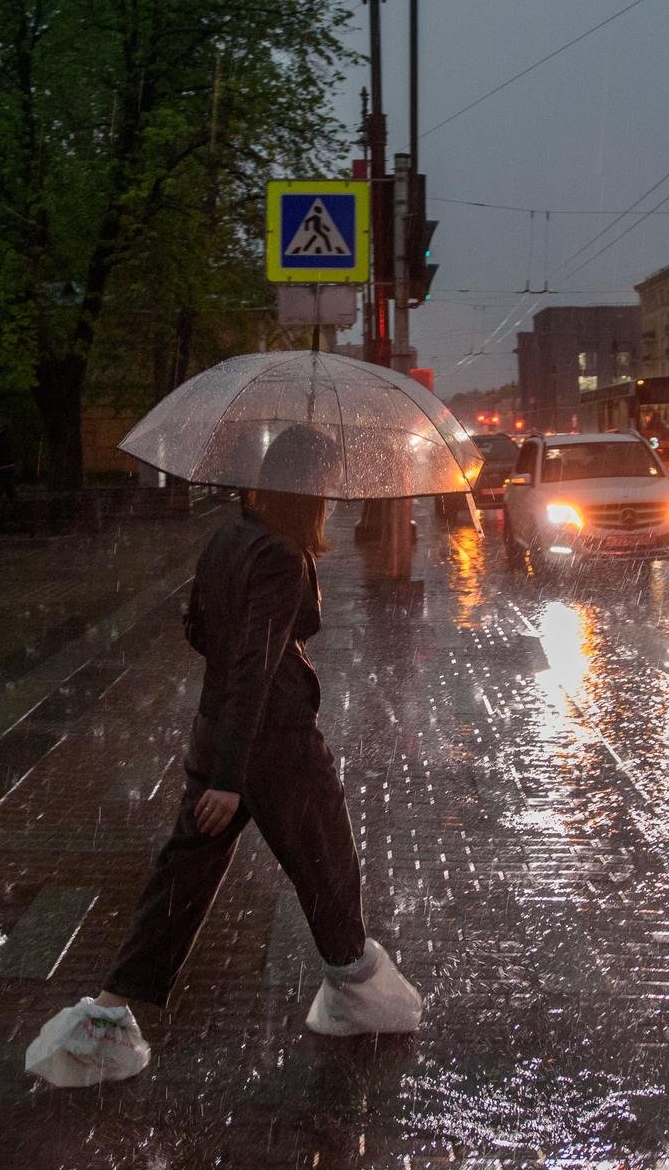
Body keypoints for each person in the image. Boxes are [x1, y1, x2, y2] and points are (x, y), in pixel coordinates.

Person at [25, 427, 422, 1088]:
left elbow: (199, 631)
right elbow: (250, 664)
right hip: (274, 743)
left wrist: (227, 758)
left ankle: (104, 1022)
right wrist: (236, 779)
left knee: (180, 884)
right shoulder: (277, 555)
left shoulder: (229, 536)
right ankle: (356, 990)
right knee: (328, 863)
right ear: (310, 488)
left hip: (220, 735)